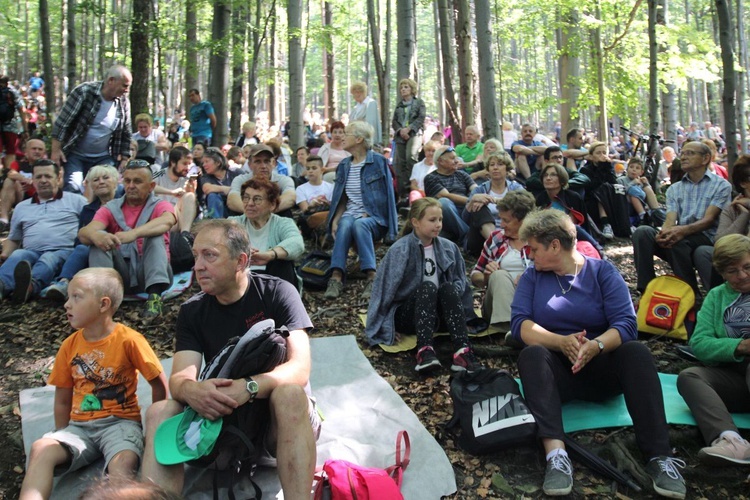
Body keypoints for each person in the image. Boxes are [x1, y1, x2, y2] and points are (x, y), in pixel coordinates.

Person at [510, 209, 686, 498]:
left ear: (555, 245)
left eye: (534, 248)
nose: (530, 255)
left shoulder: (601, 271)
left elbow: (627, 323)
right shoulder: (532, 277)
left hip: (601, 370)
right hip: (558, 376)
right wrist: (560, 342)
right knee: (532, 355)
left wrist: (597, 345)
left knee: (636, 352)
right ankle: (556, 456)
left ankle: (660, 457)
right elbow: (520, 325)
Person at [140, 219, 319, 499]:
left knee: (290, 394)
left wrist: (248, 387)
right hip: (226, 424)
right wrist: (193, 389)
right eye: (196, 255)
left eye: (209, 255)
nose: (197, 265)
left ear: (241, 261)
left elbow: (300, 369)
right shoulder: (193, 311)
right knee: (159, 412)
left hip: (279, 423)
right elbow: (180, 378)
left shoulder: (278, 292)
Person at [18, 268, 168, 500]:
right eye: (68, 297)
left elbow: (158, 382)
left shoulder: (129, 340)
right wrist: (61, 433)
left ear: (103, 304)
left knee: (124, 460)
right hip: (79, 428)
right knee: (41, 449)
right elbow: (62, 397)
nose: (67, 304)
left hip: (121, 424)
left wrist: (153, 431)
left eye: (76, 297)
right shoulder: (69, 345)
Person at [365, 197, 480, 372]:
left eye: (440, 220)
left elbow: (460, 282)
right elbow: (384, 291)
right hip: (409, 314)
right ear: (415, 222)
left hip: (439, 315)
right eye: (432, 220)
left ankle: (462, 351)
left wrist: (464, 313)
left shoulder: (450, 248)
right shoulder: (399, 250)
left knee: (448, 287)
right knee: (427, 288)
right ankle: (425, 351)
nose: (438, 224)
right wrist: (383, 325)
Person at [677, 234, 750, 467]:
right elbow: (699, 343)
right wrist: (740, 346)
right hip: (735, 377)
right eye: (732, 271)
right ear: (721, 273)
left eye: (747, 267)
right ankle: (731, 440)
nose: (742, 275)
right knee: (690, 377)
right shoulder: (717, 297)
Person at [78, 160, 176, 319]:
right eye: (127, 181)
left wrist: (135, 233)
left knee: (154, 235)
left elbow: (167, 221)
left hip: (152, 273)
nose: (131, 186)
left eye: (137, 181)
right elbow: (85, 232)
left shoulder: (160, 205)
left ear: (151, 186)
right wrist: (97, 236)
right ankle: (103, 298)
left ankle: (154, 299)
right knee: (98, 242)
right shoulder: (111, 207)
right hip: (121, 274)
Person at [633, 141, 732, 294]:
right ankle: (647, 289)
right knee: (643, 232)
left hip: (705, 236)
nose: (684, 157)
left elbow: (708, 220)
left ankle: (689, 293)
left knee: (676, 240)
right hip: (682, 235)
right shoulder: (675, 188)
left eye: (690, 153)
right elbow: (670, 219)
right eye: (683, 153)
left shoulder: (721, 185)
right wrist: (664, 232)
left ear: (705, 158)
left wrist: (679, 232)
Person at [324, 121, 398, 300]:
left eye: (346, 133)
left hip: (375, 219)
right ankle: (336, 276)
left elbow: (389, 195)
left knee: (360, 224)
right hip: (351, 215)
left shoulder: (379, 162)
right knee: (346, 222)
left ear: (358, 139)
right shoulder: (344, 165)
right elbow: (342, 199)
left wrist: (389, 229)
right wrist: (334, 220)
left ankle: (372, 276)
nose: (341, 137)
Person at [0, 160, 87, 303]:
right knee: (18, 254)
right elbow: (14, 239)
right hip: (31, 251)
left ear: (58, 178)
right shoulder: (22, 207)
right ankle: (2, 286)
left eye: (48, 176)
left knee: (48, 259)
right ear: (32, 180)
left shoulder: (77, 201)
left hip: (63, 251)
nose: (43, 181)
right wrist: (4, 255)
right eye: (39, 177)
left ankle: (29, 288)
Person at [51, 65, 132, 193]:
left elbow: (126, 132)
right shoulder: (84, 92)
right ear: (111, 81)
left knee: (112, 189)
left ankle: (103, 213)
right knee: (73, 187)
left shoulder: (123, 102)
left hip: (104, 156)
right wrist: (55, 150)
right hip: (75, 154)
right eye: (124, 85)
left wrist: (125, 158)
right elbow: (62, 122)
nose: (126, 90)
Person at [46, 165, 121, 301]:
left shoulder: (126, 204)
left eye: (105, 178)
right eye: (96, 180)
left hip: (120, 255)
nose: (101, 182)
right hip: (91, 256)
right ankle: (63, 284)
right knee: (81, 248)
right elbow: (79, 241)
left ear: (116, 181)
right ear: (91, 186)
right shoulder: (87, 210)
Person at [470, 190, 534, 333]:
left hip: (530, 299)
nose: (502, 224)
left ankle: (524, 328)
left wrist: (530, 278)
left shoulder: (540, 240)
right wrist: (487, 276)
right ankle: (508, 329)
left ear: (523, 220)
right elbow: (475, 275)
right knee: (499, 275)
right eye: (501, 219)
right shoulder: (496, 239)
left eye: (507, 220)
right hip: (496, 304)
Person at [230, 178, 305, 288]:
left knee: (282, 263)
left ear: (272, 204)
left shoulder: (282, 223)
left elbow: (297, 243)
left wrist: (271, 255)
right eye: (246, 198)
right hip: (242, 280)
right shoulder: (234, 223)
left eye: (257, 199)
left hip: (273, 278)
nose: (250, 203)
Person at [535, 162, 604, 258]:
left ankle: (599, 250)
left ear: (562, 180)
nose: (548, 178)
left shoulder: (573, 197)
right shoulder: (540, 199)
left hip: (570, 235)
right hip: (547, 236)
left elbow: (574, 223)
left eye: (553, 175)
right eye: (545, 175)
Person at [463, 152, 524, 256]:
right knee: (478, 207)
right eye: (492, 165)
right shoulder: (480, 189)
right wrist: (472, 201)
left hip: (512, 234)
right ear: (488, 169)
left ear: (507, 168)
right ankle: (498, 246)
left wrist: (495, 200)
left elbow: (526, 208)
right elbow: (465, 219)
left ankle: (500, 248)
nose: (495, 168)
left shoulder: (516, 188)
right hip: (481, 240)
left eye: (500, 164)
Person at [423, 145, 477, 245]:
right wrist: (472, 200)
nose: (456, 161)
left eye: (456, 157)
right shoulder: (431, 178)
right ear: (440, 161)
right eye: (452, 158)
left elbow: (476, 189)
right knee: (444, 202)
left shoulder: (462, 174)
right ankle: (467, 235)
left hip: (466, 210)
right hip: (445, 215)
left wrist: (477, 197)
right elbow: (446, 195)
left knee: (480, 201)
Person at [227, 144, 297, 217]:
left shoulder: (284, 180)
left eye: (267, 161)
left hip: (274, 219)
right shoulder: (240, 180)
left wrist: (264, 212)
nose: (263, 166)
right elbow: (232, 201)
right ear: (250, 164)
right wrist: (252, 212)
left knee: (286, 212)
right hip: (248, 219)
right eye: (258, 161)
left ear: (274, 163)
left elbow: (290, 197)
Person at [0, 137, 46, 232]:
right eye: (34, 148)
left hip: (40, 200)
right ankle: (4, 220)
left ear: (44, 152)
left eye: (40, 149)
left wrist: (33, 184)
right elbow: (11, 173)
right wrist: (25, 179)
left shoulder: (48, 166)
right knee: (10, 180)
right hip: (21, 196)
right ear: (26, 151)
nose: (37, 151)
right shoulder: (18, 164)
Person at [391, 78, 426, 201]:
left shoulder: (419, 103)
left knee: (411, 157)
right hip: (400, 136)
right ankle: (403, 193)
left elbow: (421, 118)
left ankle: (414, 187)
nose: (403, 89)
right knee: (400, 163)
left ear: (412, 89)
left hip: (415, 134)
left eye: (406, 87)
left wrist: (409, 129)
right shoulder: (399, 105)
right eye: (401, 87)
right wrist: (400, 130)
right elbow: (394, 121)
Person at [154, 145, 198, 236]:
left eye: (190, 164)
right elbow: (147, 186)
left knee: (190, 196)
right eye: (184, 164)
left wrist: (191, 191)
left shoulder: (187, 179)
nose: (188, 167)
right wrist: (171, 192)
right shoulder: (160, 173)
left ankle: (185, 235)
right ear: (173, 162)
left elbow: (189, 208)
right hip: (159, 217)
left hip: (176, 220)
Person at [615, 157, 661, 228]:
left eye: (637, 168)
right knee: (633, 191)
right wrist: (632, 183)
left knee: (648, 188)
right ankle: (642, 217)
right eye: (631, 167)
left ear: (641, 172)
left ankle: (657, 213)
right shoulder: (620, 180)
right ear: (627, 168)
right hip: (627, 205)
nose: (634, 170)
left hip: (642, 203)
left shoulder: (640, 181)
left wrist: (646, 184)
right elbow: (620, 193)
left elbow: (648, 195)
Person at [295, 155, 333, 239]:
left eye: (314, 168)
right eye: (308, 169)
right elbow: (304, 210)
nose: (310, 171)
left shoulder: (330, 187)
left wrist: (326, 203)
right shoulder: (300, 189)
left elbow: (334, 207)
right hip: (311, 217)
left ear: (322, 170)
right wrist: (312, 204)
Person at [198, 147, 241, 219]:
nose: (204, 165)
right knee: (212, 196)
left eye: (207, 161)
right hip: (221, 211)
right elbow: (207, 188)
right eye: (203, 162)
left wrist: (229, 191)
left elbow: (247, 187)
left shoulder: (235, 172)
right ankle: (216, 225)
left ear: (218, 162)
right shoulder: (206, 177)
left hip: (237, 209)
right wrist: (228, 189)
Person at [0, 75, 28, 170]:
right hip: (11, 126)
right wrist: (25, 129)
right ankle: (9, 175)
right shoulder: (13, 92)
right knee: (10, 151)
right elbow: (22, 110)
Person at [408, 140, 439, 204]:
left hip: (436, 194)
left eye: (433, 151)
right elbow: (413, 185)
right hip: (421, 194)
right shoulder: (417, 166)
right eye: (428, 150)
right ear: (425, 152)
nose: (431, 153)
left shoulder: (440, 166)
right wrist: (421, 192)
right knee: (414, 194)